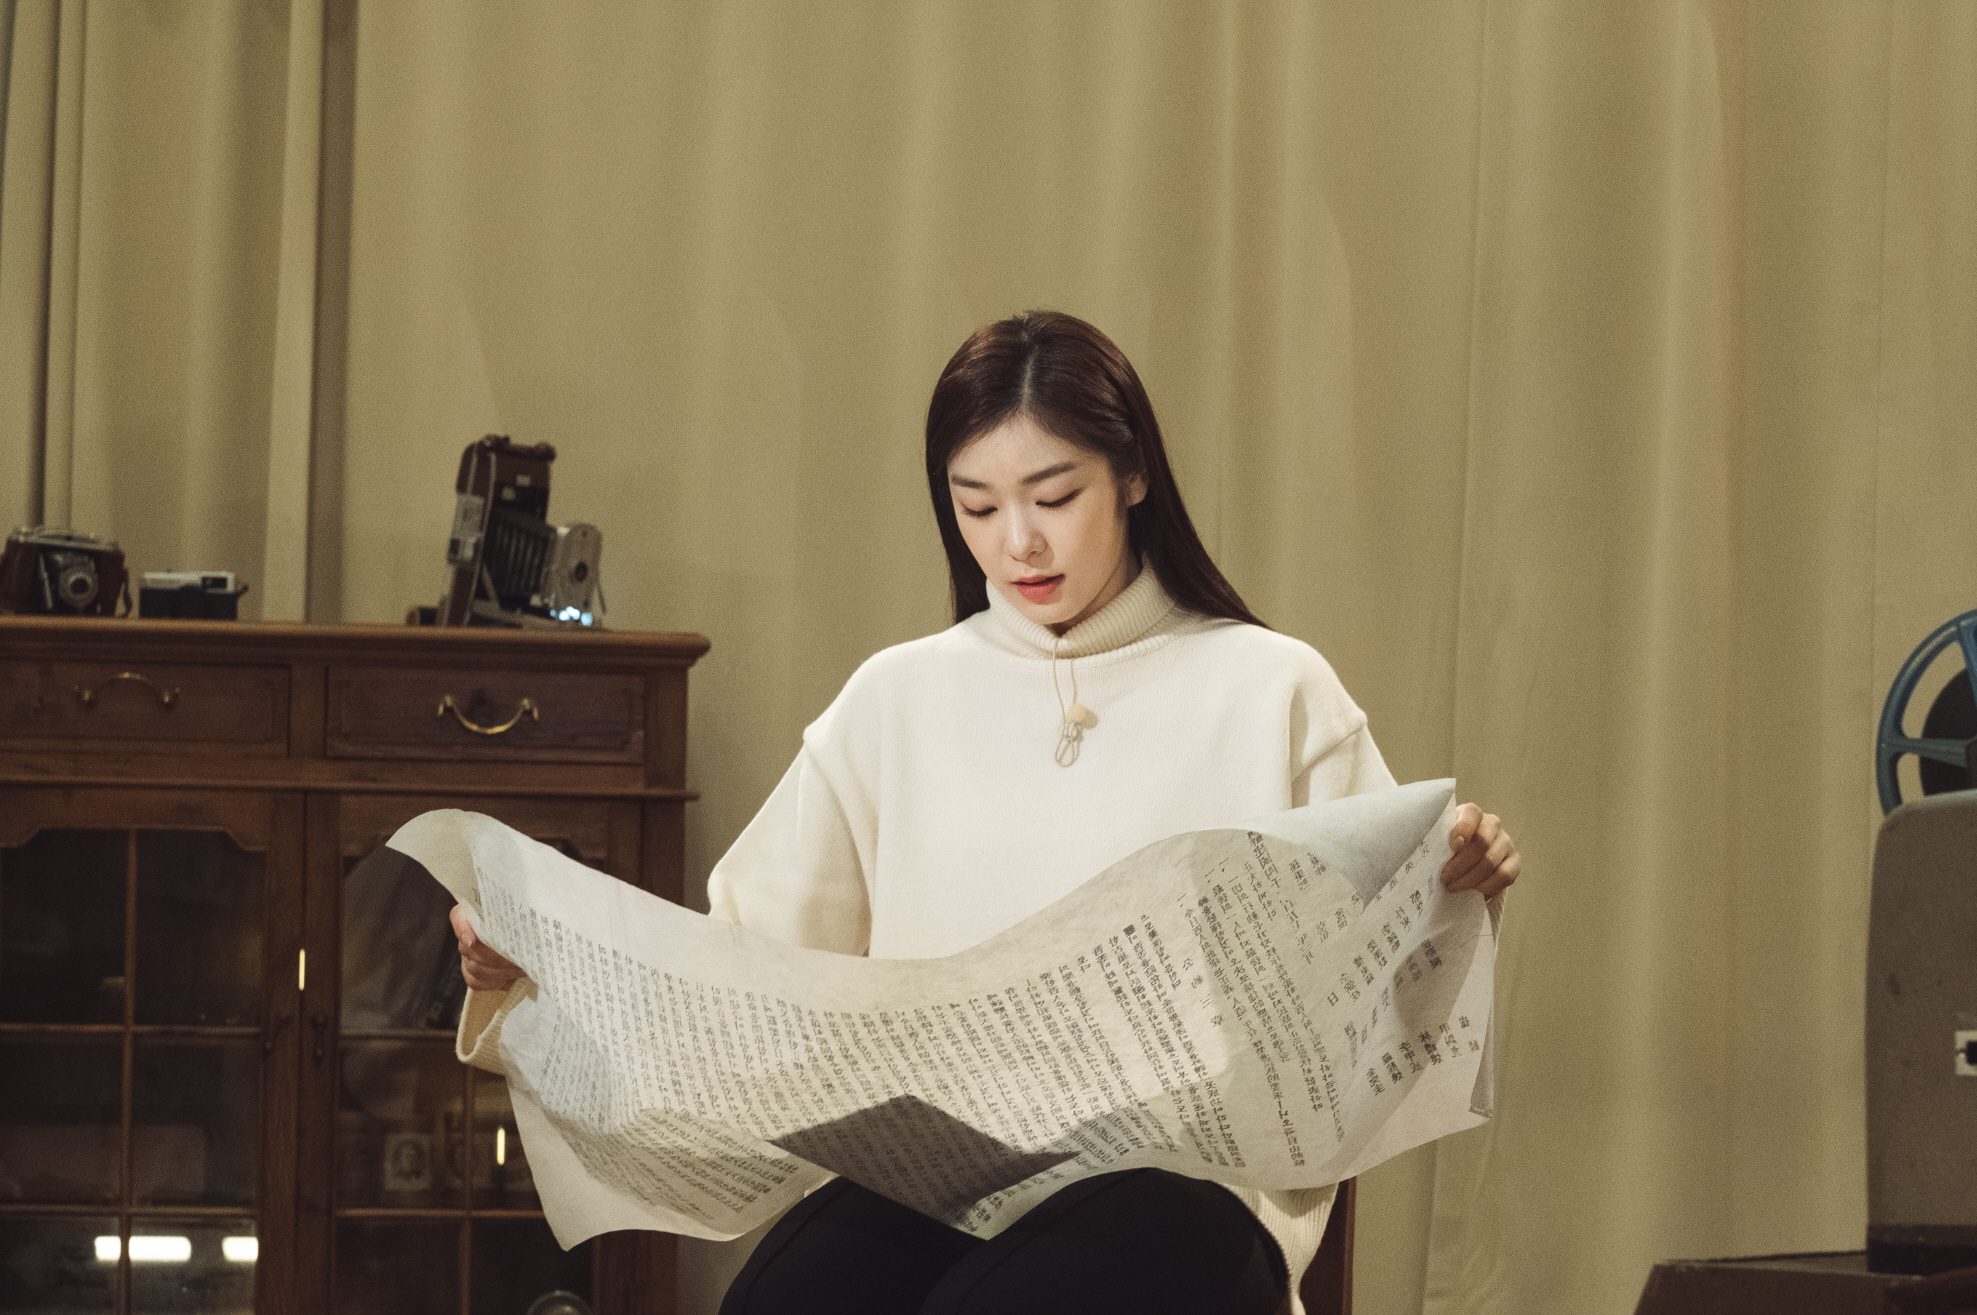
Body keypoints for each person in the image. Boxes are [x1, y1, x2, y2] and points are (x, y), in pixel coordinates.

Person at [453, 310, 1520, 1315]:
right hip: (938, 1171)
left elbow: (1384, 986)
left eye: (1054, 497)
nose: (1019, 544)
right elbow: (743, 971)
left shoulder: (1271, 688)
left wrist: (1455, 890)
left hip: (1183, 1195)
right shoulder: (894, 699)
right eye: (977, 507)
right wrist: (541, 971)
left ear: (1134, 474)